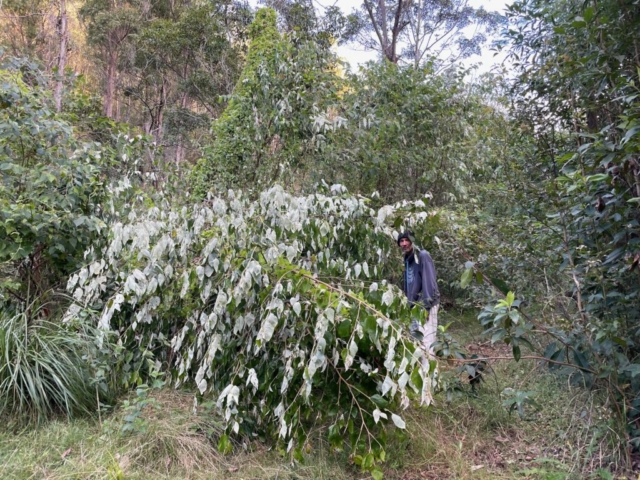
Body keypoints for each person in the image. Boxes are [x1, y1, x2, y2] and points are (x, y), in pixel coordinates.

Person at [397, 230, 440, 358]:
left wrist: (426, 307)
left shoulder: (423, 255)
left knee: (427, 342)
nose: (404, 243)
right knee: (416, 341)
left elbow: (429, 282)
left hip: (426, 306)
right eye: (401, 241)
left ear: (412, 241)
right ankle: (420, 374)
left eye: (407, 240)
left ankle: (429, 375)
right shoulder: (406, 260)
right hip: (414, 308)